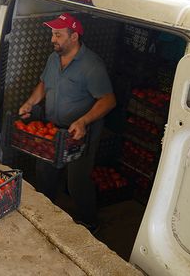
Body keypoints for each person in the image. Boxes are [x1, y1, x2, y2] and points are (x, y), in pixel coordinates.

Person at [18, 13, 116, 232]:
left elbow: (108, 100)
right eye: (53, 33)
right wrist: (29, 103)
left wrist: (83, 121)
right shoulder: (54, 58)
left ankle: (88, 223)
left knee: (77, 182)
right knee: (45, 171)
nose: (53, 39)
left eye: (58, 35)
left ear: (74, 36)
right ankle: (44, 216)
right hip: (53, 129)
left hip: (80, 133)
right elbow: (44, 83)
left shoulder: (91, 65)